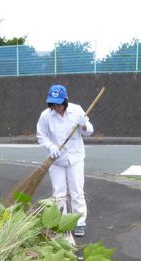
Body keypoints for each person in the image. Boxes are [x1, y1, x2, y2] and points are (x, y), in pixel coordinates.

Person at [36, 84, 94, 237]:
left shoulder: (77, 110)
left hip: (75, 157)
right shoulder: (45, 116)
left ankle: (79, 222)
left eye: (59, 103)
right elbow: (41, 136)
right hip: (56, 160)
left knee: (76, 191)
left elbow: (89, 132)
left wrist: (84, 125)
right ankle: (62, 222)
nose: (56, 106)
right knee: (58, 194)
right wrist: (50, 146)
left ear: (65, 100)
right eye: (53, 103)